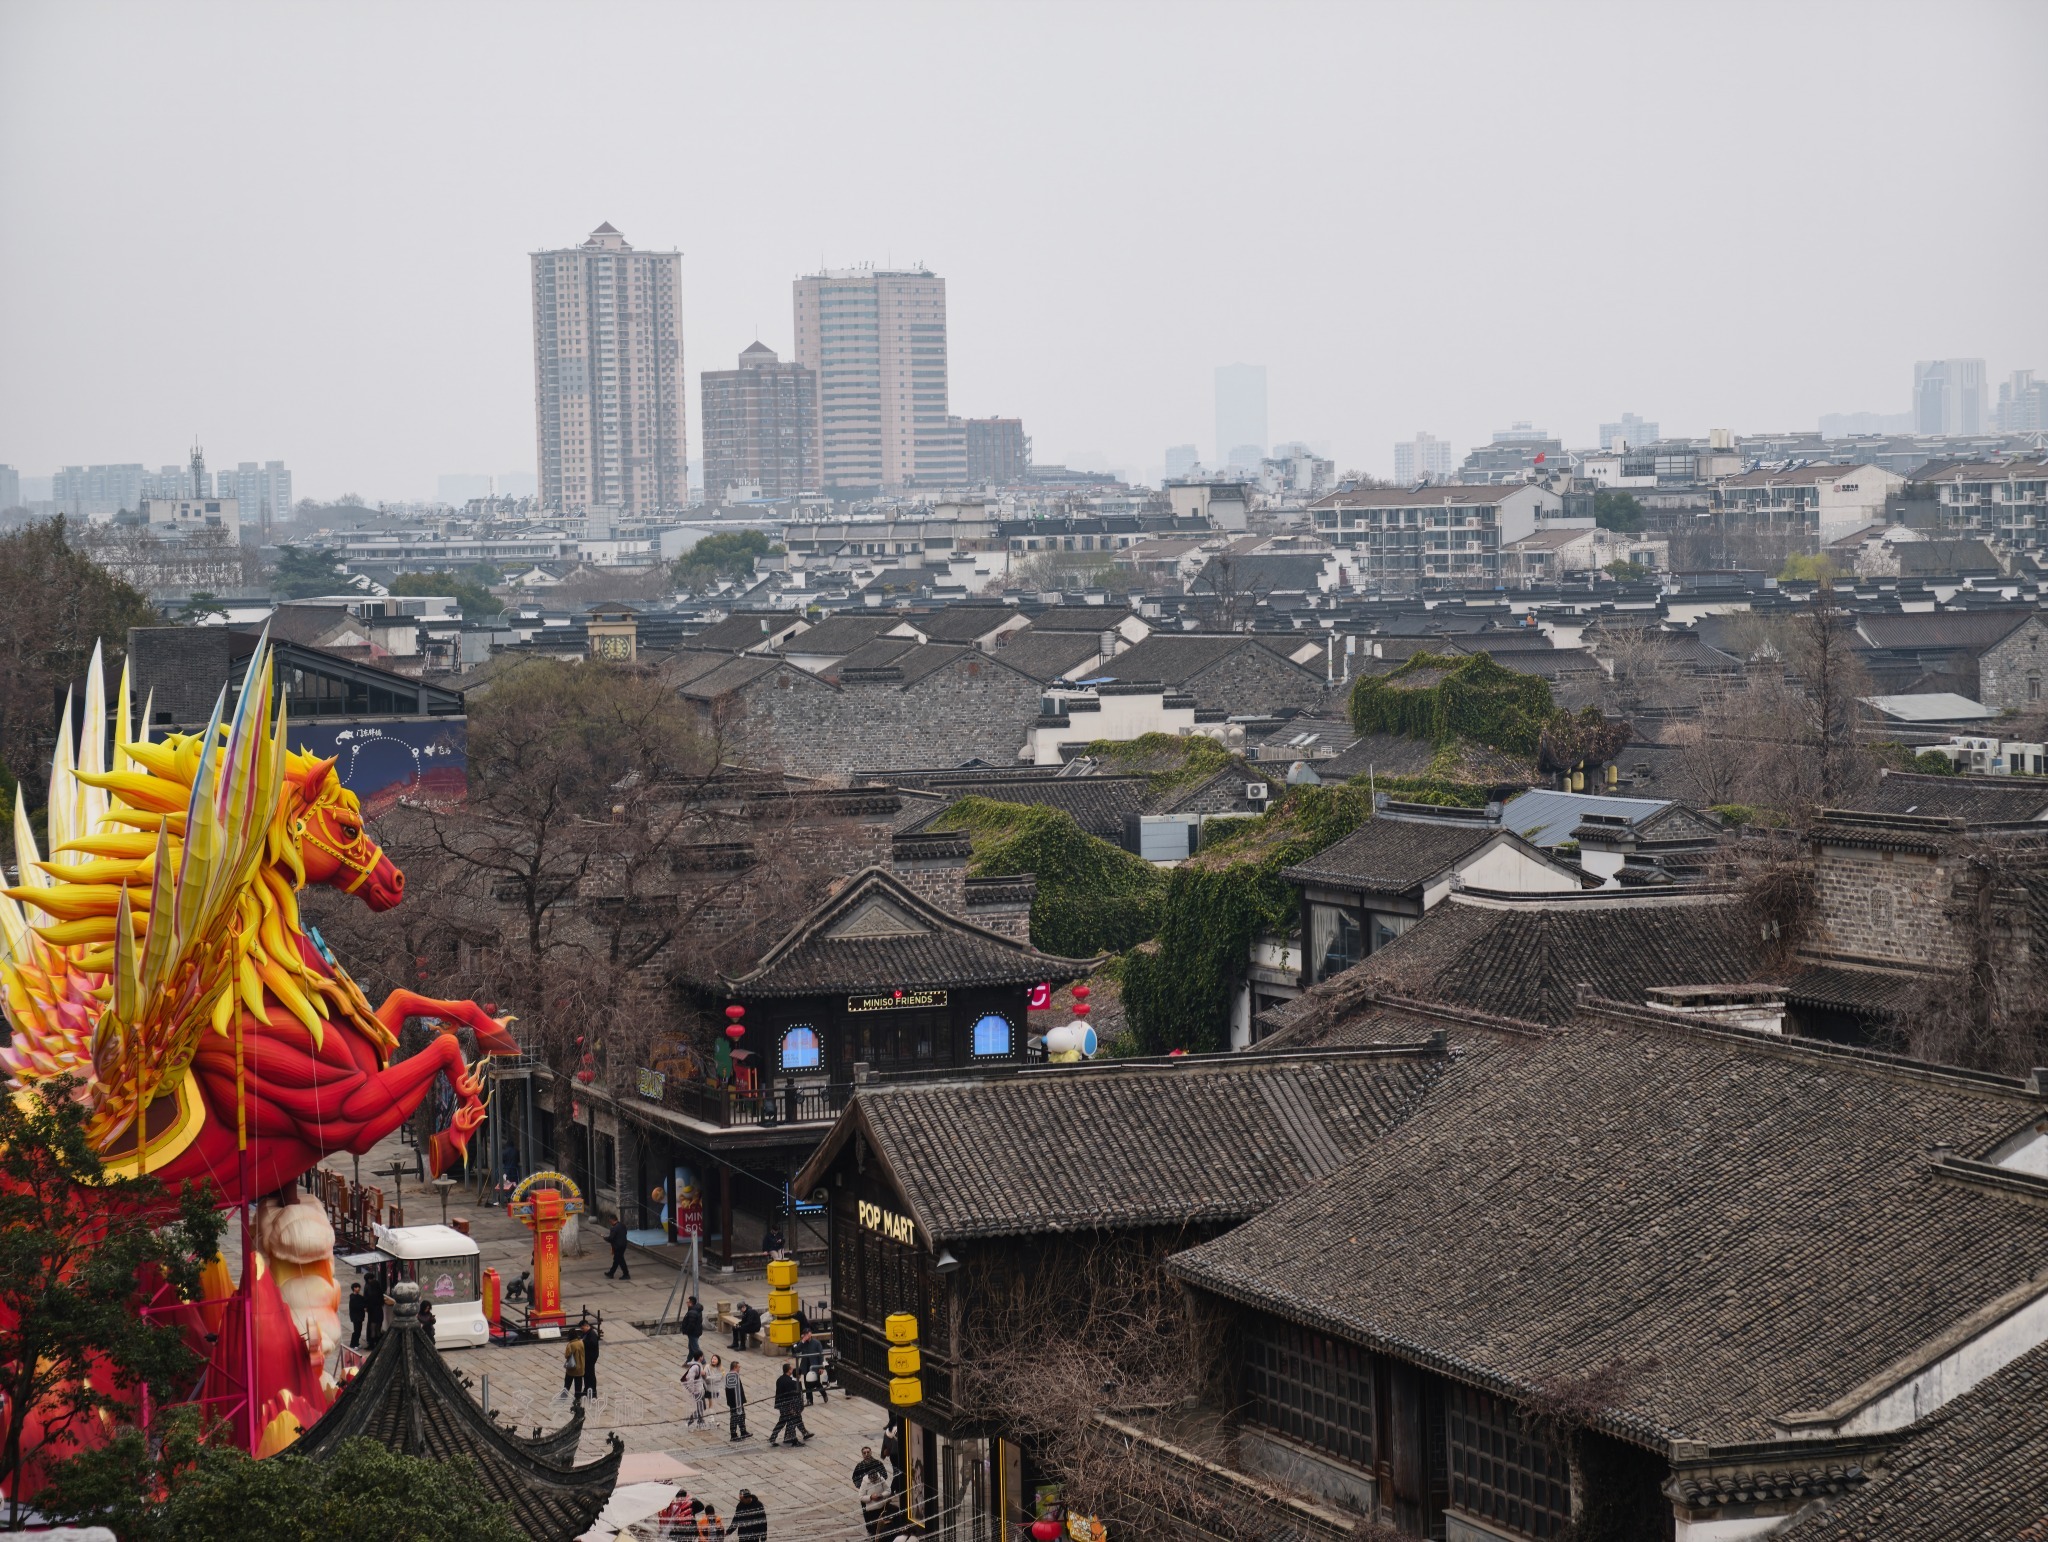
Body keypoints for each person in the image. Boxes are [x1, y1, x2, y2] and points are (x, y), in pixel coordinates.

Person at [768, 1361, 809, 1446]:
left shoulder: (779, 1379)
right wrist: (792, 1408)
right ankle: (794, 1441)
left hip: (781, 1404)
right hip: (788, 1406)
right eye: (791, 1368)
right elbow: (790, 1396)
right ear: (789, 1370)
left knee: (782, 1422)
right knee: (792, 1421)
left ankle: (773, 1437)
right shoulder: (790, 1382)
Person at [853, 1447, 889, 1538]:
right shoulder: (859, 1466)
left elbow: (884, 1475)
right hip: (866, 1493)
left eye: (868, 1452)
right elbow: (855, 1478)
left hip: (878, 1493)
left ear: (871, 1452)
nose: (866, 1454)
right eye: (864, 1453)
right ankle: (870, 1529)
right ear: (862, 1454)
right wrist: (861, 1486)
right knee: (866, 1513)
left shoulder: (878, 1463)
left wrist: (878, 1482)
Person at [796, 1330, 828, 1405]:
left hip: (814, 1366)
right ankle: (809, 1400)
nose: (806, 1336)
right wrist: (802, 1341)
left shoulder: (816, 1343)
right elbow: (797, 1350)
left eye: (807, 1334)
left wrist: (821, 1367)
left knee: (817, 1383)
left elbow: (820, 1355)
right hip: (805, 1365)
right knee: (807, 1384)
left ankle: (824, 1394)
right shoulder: (802, 1343)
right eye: (804, 1334)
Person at [723, 1358, 749, 1440]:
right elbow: (734, 1390)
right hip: (735, 1401)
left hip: (736, 1401)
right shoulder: (732, 1376)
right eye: (738, 1367)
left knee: (741, 1416)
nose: (739, 1369)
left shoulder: (731, 1376)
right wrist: (738, 1401)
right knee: (734, 1417)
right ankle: (733, 1434)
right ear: (734, 1367)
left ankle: (743, 1431)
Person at [682, 1353, 710, 1428]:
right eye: (702, 1356)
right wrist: (692, 1390)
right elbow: (689, 1378)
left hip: (700, 1389)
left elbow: (702, 1377)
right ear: (700, 1357)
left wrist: (704, 1374)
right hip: (697, 1391)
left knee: (701, 1406)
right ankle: (691, 1420)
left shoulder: (698, 1365)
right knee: (701, 1407)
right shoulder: (695, 1367)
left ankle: (700, 1421)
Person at [562, 1330, 587, 1405]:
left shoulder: (570, 1344)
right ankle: (577, 1398)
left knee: (567, 1383)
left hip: (572, 1369)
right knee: (578, 1383)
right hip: (581, 1367)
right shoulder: (581, 1342)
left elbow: (567, 1355)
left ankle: (564, 1396)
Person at [363, 1271, 387, 1346]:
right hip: (378, 1311)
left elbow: (366, 1299)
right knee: (378, 1327)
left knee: (372, 1327)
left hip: (372, 1312)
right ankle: (378, 1342)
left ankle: (371, 1342)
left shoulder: (368, 1289)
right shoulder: (378, 1291)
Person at [605, 1215, 631, 1281]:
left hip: (617, 1246)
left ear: (612, 1220)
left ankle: (626, 1274)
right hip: (624, 1245)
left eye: (609, 1221)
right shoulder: (622, 1225)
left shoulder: (614, 1228)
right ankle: (611, 1273)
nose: (609, 1222)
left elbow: (611, 1238)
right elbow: (625, 1233)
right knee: (616, 1260)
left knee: (620, 1260)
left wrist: (604, 1237)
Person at [580, 1321, 601, 1399]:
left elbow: (593, 1344)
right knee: (586, 1375)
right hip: (585, 1357)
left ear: (586, 1326)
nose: (582, 1330)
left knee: (591, 1375)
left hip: (591, 1357)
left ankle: (593, 1392)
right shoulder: (585, 1334)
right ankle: (586, 1389)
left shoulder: (592, 1334)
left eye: (582, 1328)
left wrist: (583, 1342)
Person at [680, 1295, 704, 1360]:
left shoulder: (692, 1312)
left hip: (693, 1333)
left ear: (690, 1303)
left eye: (687, 1302)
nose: (687, 1303)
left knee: (695, 1348)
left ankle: (703, 1362)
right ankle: (688, 1361)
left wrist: (686, 1331)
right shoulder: (695, 1309)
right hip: (696, 1332)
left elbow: (691, 1325)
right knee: (691, 1348)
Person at [346, 1282, 366, 1348]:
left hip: (360, 1316)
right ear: (354, 1288)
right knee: (356, 1331)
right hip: (356, 1317)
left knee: (359, 1330)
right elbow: (357, 1306)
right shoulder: (353, 1298)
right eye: (357, 1287)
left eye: (359, 1287)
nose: (359, 1288)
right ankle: (353, 1344)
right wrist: (363, 1306)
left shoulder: (359, 1296)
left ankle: (356, 1343)